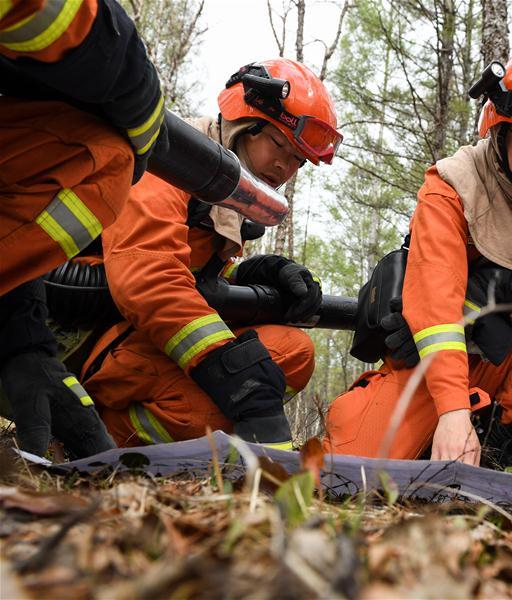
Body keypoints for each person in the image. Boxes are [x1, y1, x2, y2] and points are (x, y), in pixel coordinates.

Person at [325, 47, 512, 469]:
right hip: (434, 360)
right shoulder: (452, 186)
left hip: (506, 353)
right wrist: (453, 410)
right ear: (500, 129)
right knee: (354, 468)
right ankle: (443, 428)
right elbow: (436, 302)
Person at [79, 58, 342, 450]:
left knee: (294, 352)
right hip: (98, 337)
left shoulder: (226, 195)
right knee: (229, 398)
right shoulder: (171, 159)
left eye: (297, 160)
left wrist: (252, 275)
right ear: (244, 124)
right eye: (279, 145)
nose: (284, 167)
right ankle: (94, 433)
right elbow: (147, 278)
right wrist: (234, 372)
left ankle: (165, 437)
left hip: (144, 338)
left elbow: (191, 273)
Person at [0, 0, 166, 457]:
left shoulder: (228, 233)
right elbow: (54, 13)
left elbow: (14, 231)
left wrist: (23, 344)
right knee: (102, 158)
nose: (287, 166)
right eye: (282, 145)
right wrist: (134, 87)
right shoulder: (171, 189)